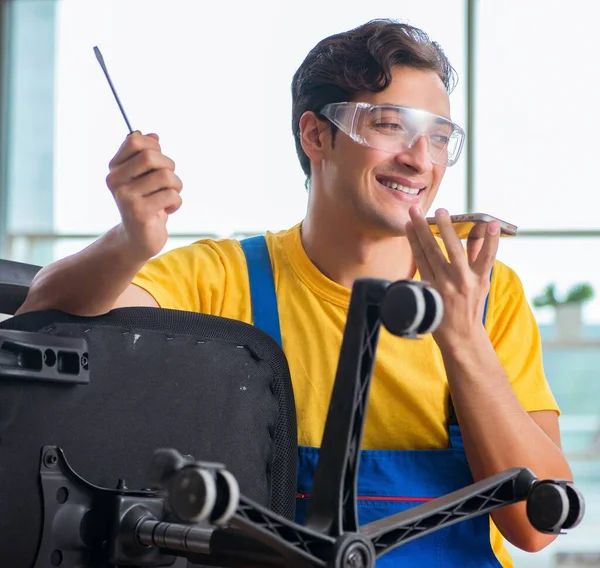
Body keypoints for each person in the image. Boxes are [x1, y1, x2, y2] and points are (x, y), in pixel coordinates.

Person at [19, 19, 571, 567]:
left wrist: (463, 339)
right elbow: (45, 315)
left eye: (439, 137)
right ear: (315, 135)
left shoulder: (487, 292)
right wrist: (130, 242)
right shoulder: (226, 278)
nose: (419, 158)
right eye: (389, 126)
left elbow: (535, 524)